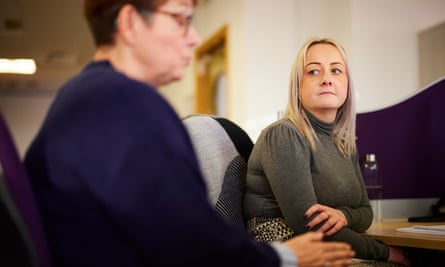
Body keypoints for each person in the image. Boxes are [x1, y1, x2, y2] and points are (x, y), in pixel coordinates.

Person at [24, 1, 355, 267]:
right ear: (130, 23)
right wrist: (288, 257)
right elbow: (192, 243)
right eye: (181, 18)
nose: (194, 37)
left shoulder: (84, 94)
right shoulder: (129, 106)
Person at [243, 38, 411, 266]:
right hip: (284, 248)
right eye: (313, 71)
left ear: (347, 85)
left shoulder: (344, 142)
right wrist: (385, 252)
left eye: (336, 70)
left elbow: (365, 213)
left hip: (325, 245)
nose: (326, 79)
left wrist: (343, 215)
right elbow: (309, 226)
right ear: (297, 88)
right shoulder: (285, 134)